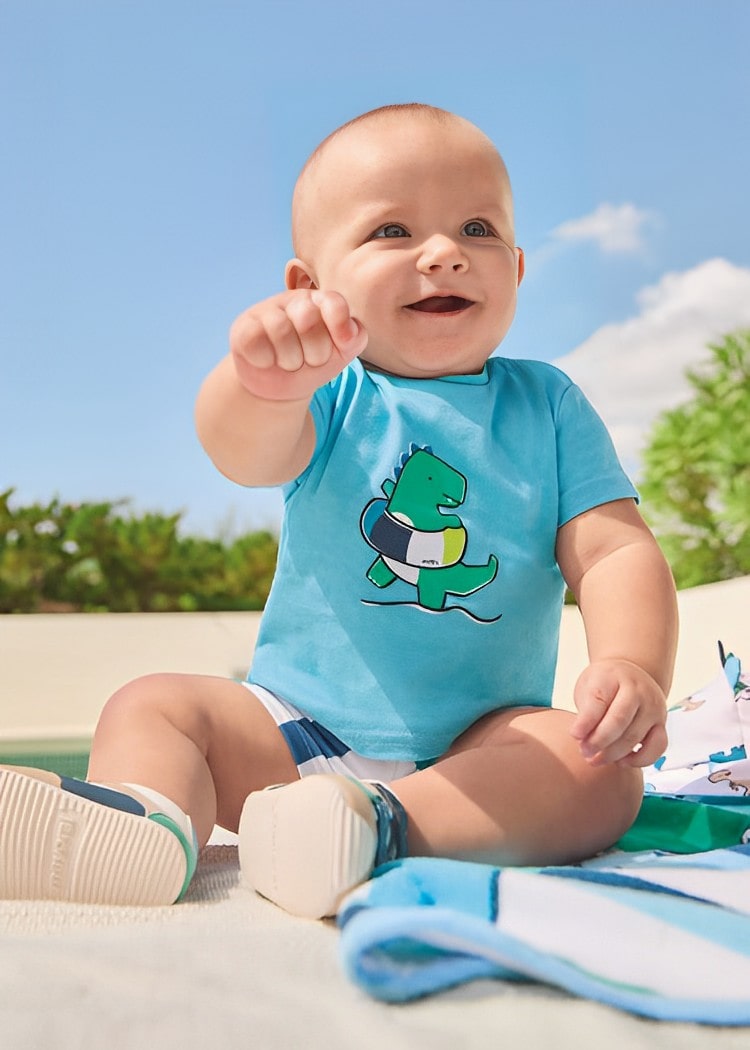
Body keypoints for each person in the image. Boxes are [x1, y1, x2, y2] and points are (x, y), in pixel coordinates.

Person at [0, 103, 678, 918]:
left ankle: (370, 829)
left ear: (520, 268)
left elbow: (613, 552)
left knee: (598, 772)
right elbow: (244, 454)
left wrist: (634, 665)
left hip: (479, 753)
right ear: (310, 289)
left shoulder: (549, 405)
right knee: (152, 704)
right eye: (393, 231)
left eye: (477, 228)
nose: (444, 253)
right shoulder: (330, 393)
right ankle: (145, 823)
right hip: (294, 729)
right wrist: (261, 384)